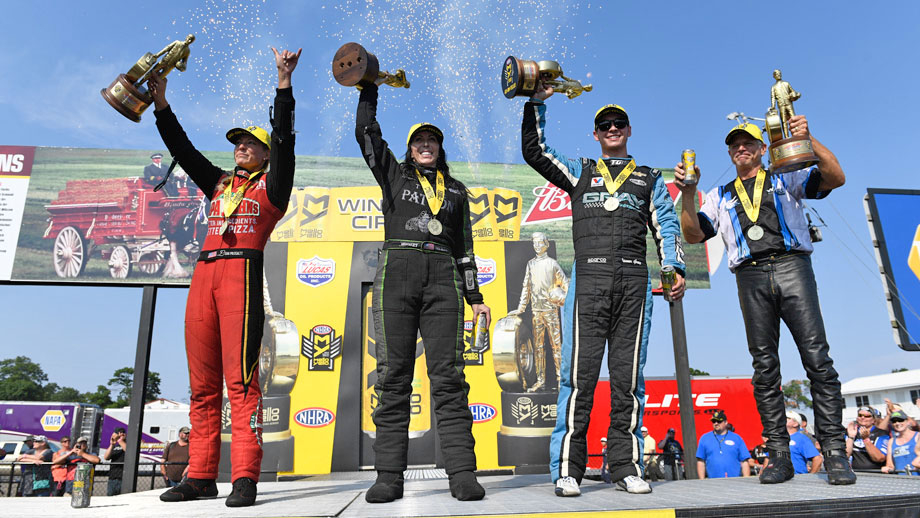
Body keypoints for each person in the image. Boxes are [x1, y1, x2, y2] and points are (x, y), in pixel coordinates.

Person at [147, 46, 300, 508]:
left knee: (242, 381)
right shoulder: (217, 184)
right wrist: (161, 103)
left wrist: (283, 83)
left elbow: (286, 139)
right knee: (202, 384)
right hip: (204, 276)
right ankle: (200, 476)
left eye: (251, 143)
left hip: (241, 275)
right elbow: (183, 150)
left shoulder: (273, 186)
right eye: (238, 143)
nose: (242, 147)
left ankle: (247, 476)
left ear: (266, 155)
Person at [522, 85, 686, 497]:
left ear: (629, 130)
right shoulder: (580, 170)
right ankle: (568, 470)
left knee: (628, 381)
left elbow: (666, 225)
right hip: (589, 281)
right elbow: (536, 152)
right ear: (595, 134)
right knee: (578, 379)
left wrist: (673, 266)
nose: (611, 129)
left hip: (633, 282)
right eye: (603, 125)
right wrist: (537, 103)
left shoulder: (649, 178)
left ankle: (626, 467)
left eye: (618, 123)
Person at [675, 117, 855, 486]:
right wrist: (689, 192)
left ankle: (836, 453)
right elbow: (693, 235)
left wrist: (807, 139)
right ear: (729, 151)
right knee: (764, 368)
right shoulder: (720, 195)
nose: (741, 148)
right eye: (735, 144)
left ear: (761, 148)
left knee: (818, 359)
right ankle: (778, 455)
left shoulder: (784, 177)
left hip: (792, 266)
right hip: (749, 276)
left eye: (748, 143)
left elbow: (836, 176)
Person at [354, 78, 491, 503]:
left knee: (449, 378)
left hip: (444, 276)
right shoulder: (393, 174)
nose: (426, 145)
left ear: (439, 147)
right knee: (394, 376)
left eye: (432, 140)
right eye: (419, 140)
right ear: (410, 148)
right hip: (397, 270)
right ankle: (389, 476)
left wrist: (476, 298)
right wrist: (368, 88)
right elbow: (366, 133)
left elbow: (466, 249)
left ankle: (462, 473)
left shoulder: (455, 191)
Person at [508, 232, 568, 392]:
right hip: (536, 312)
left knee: (556, 347)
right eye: (534, 243)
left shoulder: (552, 264)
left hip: (551, 312)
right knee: (538, 347)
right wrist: (521, 308)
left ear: (546, 244)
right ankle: (541, 381)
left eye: (540, 243)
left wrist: (563, 299)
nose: (537, 246)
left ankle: (561, 380)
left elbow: (565, 284)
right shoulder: (530, 264)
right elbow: (526, 287)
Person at [696, 410, 751, 478]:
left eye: (719, 421)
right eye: (714, 421)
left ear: (726, 422)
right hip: (713, 482)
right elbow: (701, 461)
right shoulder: (704, 438)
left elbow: (744, 461)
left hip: (735, 481)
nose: (716, 423)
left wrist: (746, 478)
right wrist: (702, 481)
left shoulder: (736, 438)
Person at [846, 406, 887, 471]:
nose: (863, 418)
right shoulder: (851, 432)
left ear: (873, 420)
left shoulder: (881, 434)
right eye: (860, 415)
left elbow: (879, 458)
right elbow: (845, 456)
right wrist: (851, 437)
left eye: (867, 416)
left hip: (876, 474)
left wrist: (866, 440)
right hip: (857, 473)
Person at [104, 427, 126, 495]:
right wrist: (112, 444)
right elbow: (106, 457)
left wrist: (120, 440)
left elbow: (128, 452)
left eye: (122, 433)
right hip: (113, 477)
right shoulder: (115, 446)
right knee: (110, 497)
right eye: (118, 433)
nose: (120, 435)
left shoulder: (127, 444)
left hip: (124, 477)